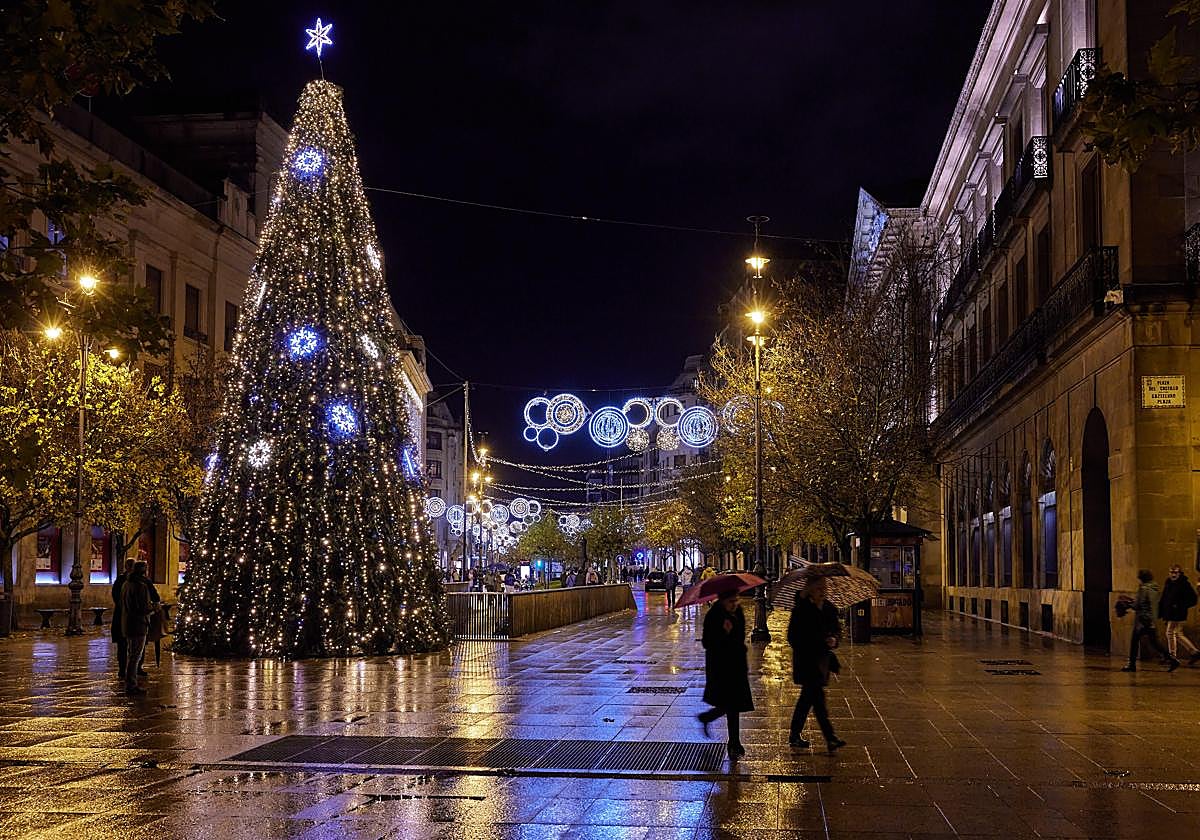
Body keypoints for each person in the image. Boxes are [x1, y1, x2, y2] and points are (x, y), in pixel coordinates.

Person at [787, 575, 846, 753]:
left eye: (824, 588)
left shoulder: (828, 608)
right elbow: (792, 637)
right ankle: (830, 738)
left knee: (807, 699)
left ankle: (795, 735)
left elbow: (836, 631)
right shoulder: (801, 610)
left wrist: (834, 640)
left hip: (821, 662)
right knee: (817, 700)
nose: (823, 591)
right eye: (819, 588)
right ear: (810, 590)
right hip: (806, 661)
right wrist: (815, 640)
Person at [697, 590, 752, 759]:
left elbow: (741, 636)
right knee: (732, 704)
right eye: (731, 601)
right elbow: (707, 642)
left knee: (734, 704)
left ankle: (732, 741)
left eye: (736, 600)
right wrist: (724, 633)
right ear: (722, 600)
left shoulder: (738, 612)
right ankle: (734, 743)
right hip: (721, 666)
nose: (734, 603)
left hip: (736, 664)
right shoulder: (714, 615)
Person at [1123, 569, 1179, 672]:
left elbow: (1139, 604)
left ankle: (1132, 664)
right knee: (1155, 643)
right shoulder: (1154, 588)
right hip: (1151, 620)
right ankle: (1172, 660)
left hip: (1142, 620)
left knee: (1134, 641)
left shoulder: (1144, 588)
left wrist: (1129, 603)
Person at [121, 561, 155, 695]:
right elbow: (143, 607)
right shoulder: (140, 587)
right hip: (138, 624)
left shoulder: (126, 584)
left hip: (127, 623)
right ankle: (131, 684)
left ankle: (130, 682)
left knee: (131, 654)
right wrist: (154, 608)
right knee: (135, 655)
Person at [1159, 564, 1200, 665]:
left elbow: (1193, 599)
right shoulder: (1168, 583)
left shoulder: (1184, 584)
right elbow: (1164, 598)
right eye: (1171, 572)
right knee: (1177, 634)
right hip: (1170, 613)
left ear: (1179, 573)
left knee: (1170, 633)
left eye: (1175, 572)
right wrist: (1162, 610)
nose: (1173, 575)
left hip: (1178, 613)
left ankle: (1172, 657)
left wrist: (1180, 606)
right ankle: (1194, 652)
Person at [111, 558, 135, 681]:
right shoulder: (121, 580)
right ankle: (122, 668)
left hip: (131, 617)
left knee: (134, 645)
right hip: (123, 615)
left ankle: (135, 668)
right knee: (123, 644)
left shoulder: (137, 580)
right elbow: (115, 594)